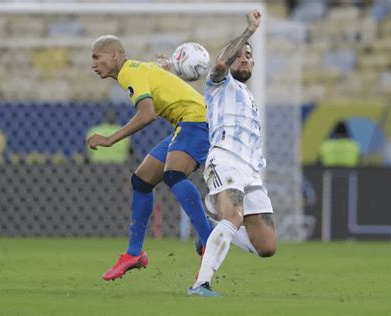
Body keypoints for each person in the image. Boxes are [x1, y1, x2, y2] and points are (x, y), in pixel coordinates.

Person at [87, 35, 212, 281]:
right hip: (185, 123)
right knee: (141, 180)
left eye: (96, 57)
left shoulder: (128, 73)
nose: (93, 64)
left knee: (173, 173)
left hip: (197, 120)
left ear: (114, 56)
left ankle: (210, 241)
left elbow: (147, 115)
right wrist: (165, 67)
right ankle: (134, 254)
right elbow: (154, 71)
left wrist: (111, 139)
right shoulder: (135, 68)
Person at [187, 10, 277, 297]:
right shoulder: (219, 84)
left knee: (267, 247)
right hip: (224, 158)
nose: (244, 58)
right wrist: (248, 32)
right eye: (239, 54)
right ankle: (201, 284)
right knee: (234, 215)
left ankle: (213, 226)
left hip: (251, 170)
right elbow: (221, 62)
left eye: (248, 55)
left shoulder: (249, 97)